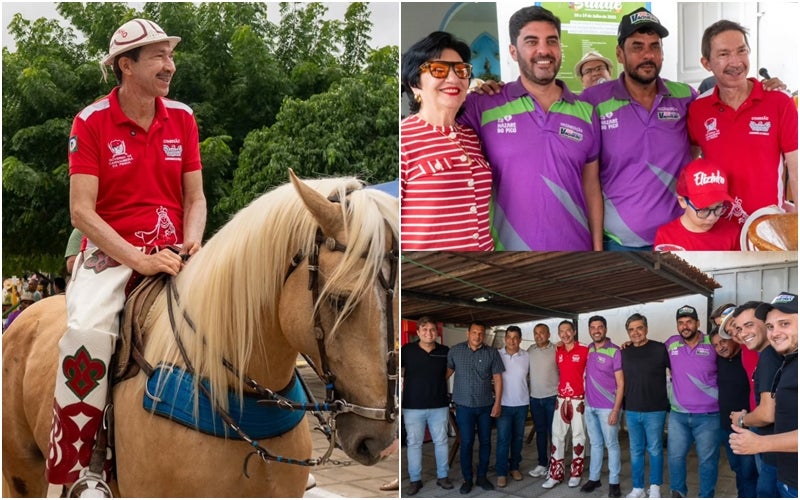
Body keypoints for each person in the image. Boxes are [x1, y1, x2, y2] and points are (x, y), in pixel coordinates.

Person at [46, 18, 206, 492]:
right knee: (88, 331)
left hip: (177, 249)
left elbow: (194, 198)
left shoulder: (183, 116)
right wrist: (139, 259)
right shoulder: (90, 121)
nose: (169, 65)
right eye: (157, 56)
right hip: (112, 255)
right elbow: (82, 212)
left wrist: (194, 240)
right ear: (125, 66)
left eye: (170, 55)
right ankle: (77, 471)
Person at [459, 6, 603, 251]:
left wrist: (598, 250)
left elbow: (591, 187)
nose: (544, 50)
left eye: (552, 41)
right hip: (508, 257)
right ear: (513, 52)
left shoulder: (586, 112)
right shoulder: (483, 104)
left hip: (576, 254)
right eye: (531, 41)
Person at [581, 7, 696, 250]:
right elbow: (587, 178)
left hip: (679, 237)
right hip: (620, 242)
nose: (648, 55)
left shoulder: (685, 96)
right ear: (619, 53)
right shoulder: (594, 100)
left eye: (655, 46)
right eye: (637, 47)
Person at [688, 20, 798, 218]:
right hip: (716, 228)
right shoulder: (698, 109)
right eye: (724, 54)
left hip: (768, 227)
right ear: (706, 63)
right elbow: (691, 166)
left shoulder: (779, 101)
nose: (736, 62)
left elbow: (796, 170)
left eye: (741, 51)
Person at [400, 31, 493, 251]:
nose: (453, 79)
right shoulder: (404, 139)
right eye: (438, 69)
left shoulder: (472, 138)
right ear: (415, 84)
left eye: (461, 70)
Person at [731, 293, 799, 497]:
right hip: (787, 473)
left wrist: (745, 423)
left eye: (784, 323)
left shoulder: (771, 357)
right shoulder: (788, 361)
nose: (775, 332)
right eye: (771, 326)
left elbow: (768, 413)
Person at [666, 305, 720, 498]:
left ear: (698, 323)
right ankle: (678, 493)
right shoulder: (671, 344)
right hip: (678, 416)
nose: (685, 326)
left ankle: (706, 496)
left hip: (708, 416)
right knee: (675, 458)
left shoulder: (712, 343)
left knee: (707, 462)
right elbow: (651, 355)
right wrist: (628, 346)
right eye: (680, 323)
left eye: (689, 322)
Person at [446, 321, 504, 494]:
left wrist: (497, 403)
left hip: (486, 406)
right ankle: (467, 479)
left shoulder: (492, 353)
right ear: (468, 333)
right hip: (463, 406)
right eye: (474, 332)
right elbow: (445, 374)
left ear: (484, 335)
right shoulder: (455, 351)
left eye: (481, 333)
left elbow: (498, 379)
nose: (477, 336)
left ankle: (482, 476)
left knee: (486, 442)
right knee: (467, 442)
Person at [401, 317, 452, 495]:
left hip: (439, 404)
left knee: (441, 441)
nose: (429, 333)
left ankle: (443, 476)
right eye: (425, 330)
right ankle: (415, 480)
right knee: (414, 444)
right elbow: (398, 371)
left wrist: (438, 381)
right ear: (418, 332)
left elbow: (450, 369)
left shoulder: (445, 351)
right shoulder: (407, 350)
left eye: (432, 330)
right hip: (413, 406)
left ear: (436, 332)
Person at [621, 313, 670, 499]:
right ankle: (638, 488)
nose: (636, 332)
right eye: (631, 330)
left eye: (639, 328)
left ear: (646, 329)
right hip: (632, 409)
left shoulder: (659, 349)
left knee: (656, 448)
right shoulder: (624, 353)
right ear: (628, 332)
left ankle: (655, 486)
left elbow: (677, 370)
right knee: (635, 450)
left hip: (655, 409)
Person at [709, 327, 758, 497]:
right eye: (715, 345)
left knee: (749, 471)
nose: (720, 347)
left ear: (733, 338)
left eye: (723, 341)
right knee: (737, 468)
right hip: (726, 426)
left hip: (748, 426)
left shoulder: (747, 357)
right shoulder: (719, 360)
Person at [654, 158, 741, 250]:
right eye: (703, 209)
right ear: (682, 201)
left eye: (718, 207)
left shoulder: (732, 232)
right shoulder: (665, 236)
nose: (711, 218)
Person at [543, 320, 589, 489]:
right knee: (557, 435)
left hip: (579, 400)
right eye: (561, 331)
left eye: (568, 330)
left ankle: (576, 473)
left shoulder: (585, 349)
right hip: (561, 398)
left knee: (579, 436)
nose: (565, 334)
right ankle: (556, 474)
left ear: (574, 331)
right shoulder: (558, 350)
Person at [580, 316, 623, 497]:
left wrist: (615, 410)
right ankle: (594, 478)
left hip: (608, 408)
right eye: (593, 327)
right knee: (596, 444)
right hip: (590, 407)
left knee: (611, 444)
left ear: (605, 329)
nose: (596, 330)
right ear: (589, 330)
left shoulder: (615, 351)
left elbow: (621, 384)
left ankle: (614, 482)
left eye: (599, 327)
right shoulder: (588, 349)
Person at [494, 326, 530, 487]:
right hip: (503, 404)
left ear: (520, 339)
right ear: (505, 338)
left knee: (518, 438)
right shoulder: (496, 355)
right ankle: (501, 472)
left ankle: (514, 467)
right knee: (503, 439)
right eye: (509, 337)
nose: (512, 340)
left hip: (522, 404)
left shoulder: (527, 356)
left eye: (516, 337)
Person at [527, 323, 559, 479]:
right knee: (540, 432)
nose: (538, 335)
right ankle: (541, 463)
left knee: (554, 433)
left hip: (552, 397)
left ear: (548, 334)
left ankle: (554, 465)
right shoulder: (530, 351)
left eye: (541, 332)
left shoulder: (556, 349)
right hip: (535, 399)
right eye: (536, 333)